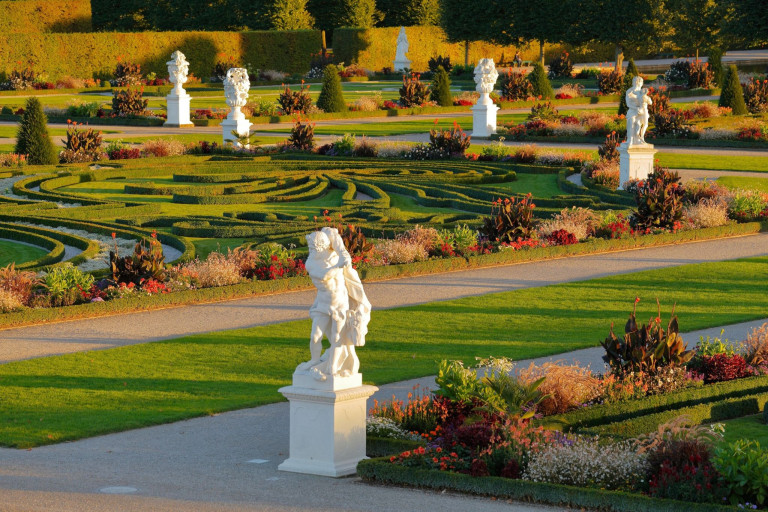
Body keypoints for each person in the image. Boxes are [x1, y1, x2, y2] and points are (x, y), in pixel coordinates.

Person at [298, 227, 371, 381]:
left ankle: (332, 368)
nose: (310, 250)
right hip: (323, 304)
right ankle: (314, 360)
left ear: (322, 246)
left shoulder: (333, 253)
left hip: (340, 303)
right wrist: (339, 264)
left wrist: (343, 256)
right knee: (315, 336)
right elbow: (324, 276)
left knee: (338, 337)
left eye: (313, 247)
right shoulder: (311, 263)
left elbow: (341, 250)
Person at [625, 75, 652, 145]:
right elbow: (628, 104)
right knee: (632, 121)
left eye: (639, 82)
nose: (637, 83)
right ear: (633, 83)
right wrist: (636, 108)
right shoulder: (629, 91)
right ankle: (630, 140)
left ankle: (640, 139)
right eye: (636, 82)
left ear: (642, 83)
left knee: (641, 124)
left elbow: (648, 101)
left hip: (642, 111)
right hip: (633, 110)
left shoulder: (642, 92)